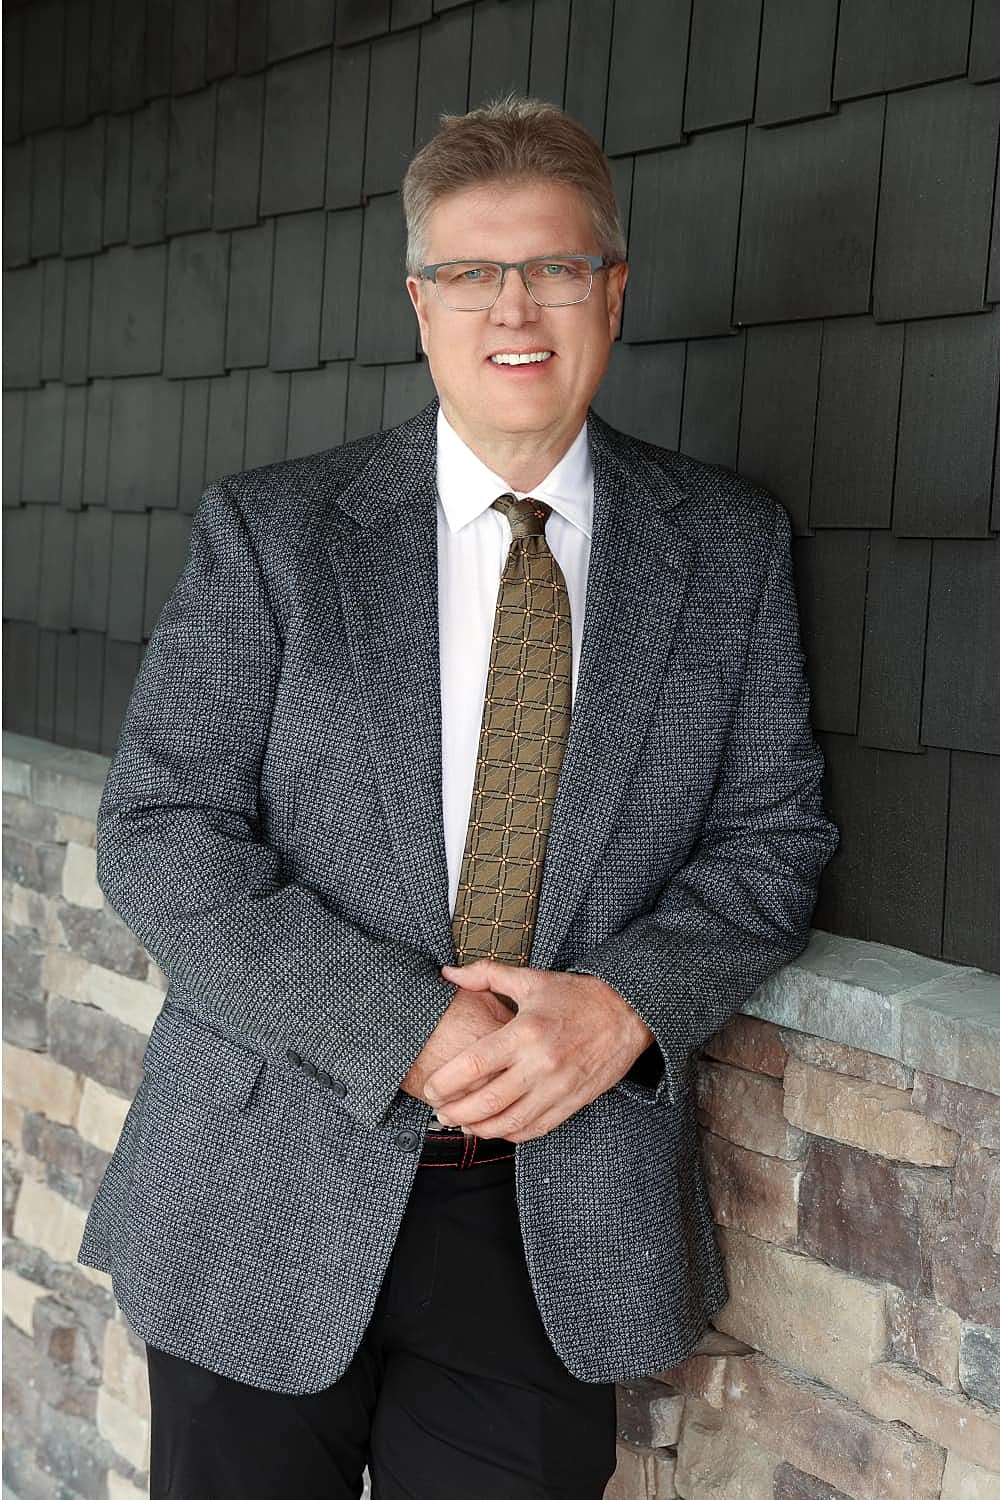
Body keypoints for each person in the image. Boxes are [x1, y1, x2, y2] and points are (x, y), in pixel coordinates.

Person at [78, 96, 838, 1499]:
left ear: (613, 291)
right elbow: (161, 833)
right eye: (473, 272)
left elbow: (772, 840)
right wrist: (406, 1028)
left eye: (553, 267)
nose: (515, 308)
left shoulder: (724, 545)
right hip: (265, 1184)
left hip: (554, 1218)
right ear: (421, 303)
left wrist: (624, 1008)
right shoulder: (275, 532)